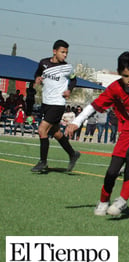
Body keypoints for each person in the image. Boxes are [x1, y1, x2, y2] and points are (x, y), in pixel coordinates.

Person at [65, 51, 129, 216]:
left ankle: (122, 200)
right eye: (125, 76)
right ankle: (103, 201)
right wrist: (76, 122)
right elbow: (94, 105)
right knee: (112, 171)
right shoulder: (115, 88)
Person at [31, 39, 80, 173]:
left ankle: (43, 162)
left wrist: (69, 89)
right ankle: (72, 153)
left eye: (66, 53)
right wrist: (37, 78)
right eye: (62, 52)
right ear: (54, 51)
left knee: (42, 130)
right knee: (55, 132)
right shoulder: (43, 63)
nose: (65, 55)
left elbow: (74, 79)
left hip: (58, 104)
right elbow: (37, 73)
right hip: (46, 103)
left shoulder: (67, 68)